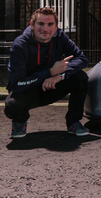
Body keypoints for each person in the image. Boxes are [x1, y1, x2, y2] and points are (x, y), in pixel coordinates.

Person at [5, 7, 90, 138]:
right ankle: (19, 122)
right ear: (32, 25)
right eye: (41, 24)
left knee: (80, 77)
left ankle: (73, 122)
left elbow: (81, 59)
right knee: (12, 105)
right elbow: (17, 84)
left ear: (56, 27)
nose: (45, 29)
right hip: (29, 89)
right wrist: (49, 72)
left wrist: (60, 76)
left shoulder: (60, 37)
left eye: (50, 24)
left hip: (52, 86)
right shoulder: (20, 46)